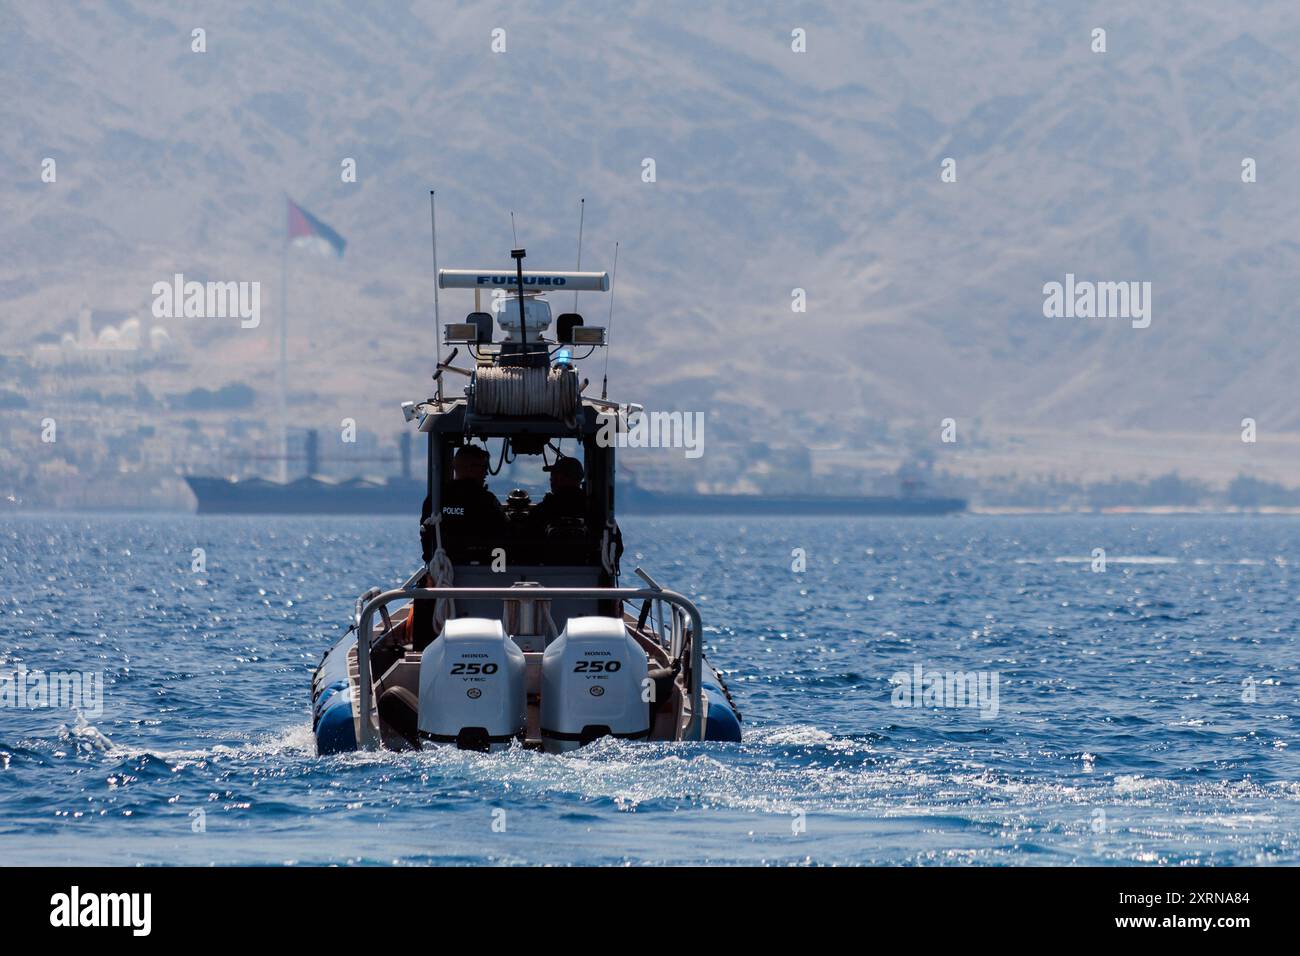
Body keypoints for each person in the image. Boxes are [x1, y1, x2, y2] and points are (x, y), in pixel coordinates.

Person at [531, 454, 588, 534]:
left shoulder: (544, 509)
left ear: (561, 478)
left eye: (554, 475)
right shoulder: (592, 507)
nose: (551, 479)